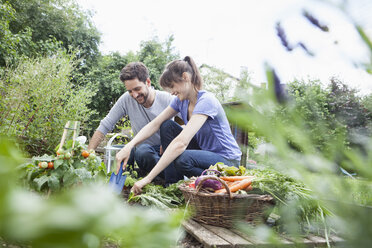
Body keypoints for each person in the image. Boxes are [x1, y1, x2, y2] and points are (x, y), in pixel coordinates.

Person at [115, 56, 242, 195]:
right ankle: (172, 186)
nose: (171, 92)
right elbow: (155, 124)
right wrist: (129, 146)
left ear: (185, 77)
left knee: (182, 159)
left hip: (227, 160)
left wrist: (148, 178)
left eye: (173, 86)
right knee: (167, 126)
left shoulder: (206, 101)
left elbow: (181, 143)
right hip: (205, 153)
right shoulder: (180, 101)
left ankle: (222, 181)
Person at [88, 62, 182, 184]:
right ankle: (154, 178)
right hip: (145, 154)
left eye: (137, 89)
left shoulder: (168, 99)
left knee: (162, 131)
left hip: (167, 153)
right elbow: (106, 125)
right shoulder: (126, 100)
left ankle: (172, 179)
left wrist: (171, 141)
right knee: (141, 151)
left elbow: (189, 124)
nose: (135, 95)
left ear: (148, 82)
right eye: (130, 91)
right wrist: (88, 154)